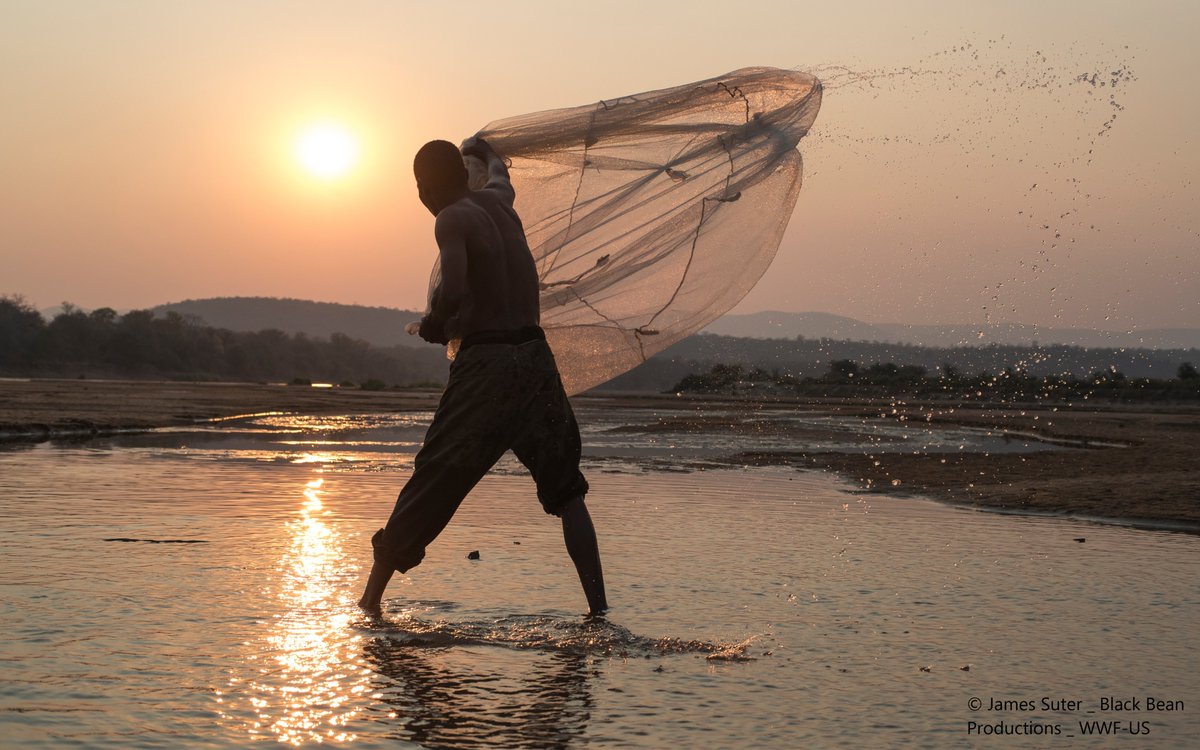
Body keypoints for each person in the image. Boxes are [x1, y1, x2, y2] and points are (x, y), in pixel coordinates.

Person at [359, 137, 608, 616]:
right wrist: (486, 149)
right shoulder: (499, 202)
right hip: (535, 360)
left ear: (425, 187)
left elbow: (452, 286)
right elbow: (500, 172)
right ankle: (599, 612)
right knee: (567, 490)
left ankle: (369, 602)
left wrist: (434, 325)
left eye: (418, 187)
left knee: (433, 478)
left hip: (487, 366)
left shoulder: (450, 218)